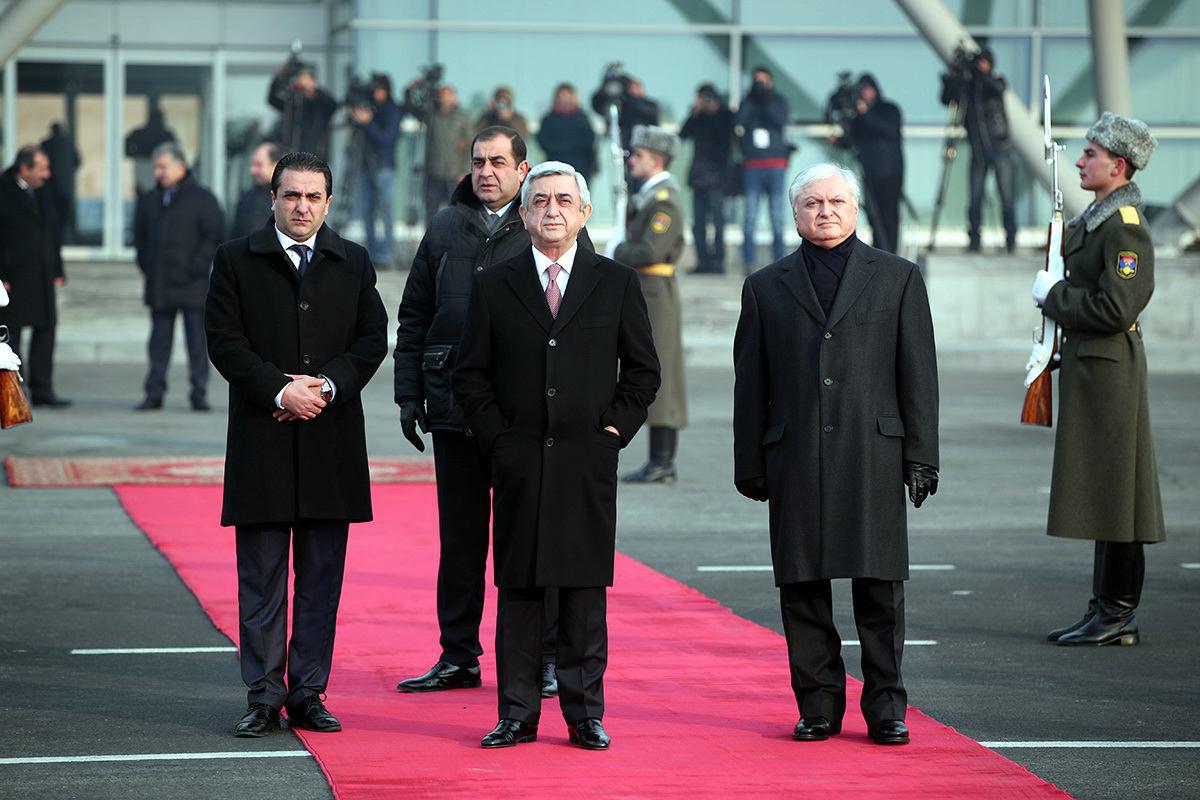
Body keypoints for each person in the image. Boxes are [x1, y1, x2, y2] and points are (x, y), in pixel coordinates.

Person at [453, 161, 660, 750]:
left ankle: (584, 713)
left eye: (564, 201)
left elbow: (642, 372)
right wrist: (498, 440)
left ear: (584, 213)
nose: (552, 210)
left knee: (583, 593)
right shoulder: (495, 283)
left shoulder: (616, 282)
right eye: (540, 200)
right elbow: (470, 375)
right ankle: (516, 713)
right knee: (519, 591)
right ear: (522, 213)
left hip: (586, 459)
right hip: (517, 458)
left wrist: (612, 433)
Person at [733, 163, 939, 747]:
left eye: (836, 202)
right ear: (795, 212)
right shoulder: (765, 286)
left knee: (879, 588)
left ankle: (886, 707)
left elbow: (918, 374)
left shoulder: (898, 277)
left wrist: (922, 456)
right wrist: (750, 463)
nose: (824, 211)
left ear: (855, 208)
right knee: (802, 588)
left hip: (873, 452)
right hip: (794, 454)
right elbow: (751, 383)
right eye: (812, 203)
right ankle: (818, 704)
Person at [394, 127, 594, 698]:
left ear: (522, 169)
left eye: (499, 162)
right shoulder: (444, 226)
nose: (486, 172)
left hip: (522, 416)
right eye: (479, 161)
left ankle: (547, 657)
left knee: (532, 538)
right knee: (459, 542)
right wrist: (409, 394)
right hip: (452, 407)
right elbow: (414, 315)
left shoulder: (548, 223)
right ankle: (458, 655)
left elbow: (581, 320)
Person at [206, 151, 388, 738]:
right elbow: (223, 341)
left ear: (329, 203)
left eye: (313, 197)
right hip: (263, 436)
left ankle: (308, 692)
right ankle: (264, 695)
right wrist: (279, 391)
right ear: (274, 198)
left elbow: (372, 339)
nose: (301, 206)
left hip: (331, 441)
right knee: (261, 579)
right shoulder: (235, 258)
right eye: (291, 195)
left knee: (320, 580)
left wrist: (327, 386)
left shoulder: (353, 261)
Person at [1032, 113, 1166, 647]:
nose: (1081, 162)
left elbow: (1116, 306)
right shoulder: (1098, 217)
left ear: (1119, 165)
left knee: (1120, 493)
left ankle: (1117, 612)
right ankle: (1105, 608)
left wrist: (1055, 298)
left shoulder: (1124, 225)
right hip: (1092, 367)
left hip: (1110, 369)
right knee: (1109, 492)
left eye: (1091, 154)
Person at [615, 125, 687, 484]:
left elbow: (648, 251)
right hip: (645, 290)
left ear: (657, 160)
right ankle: (658, 460)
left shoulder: (665, 202)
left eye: (639, 155)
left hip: (656, 292)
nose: (632, 160)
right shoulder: (646, 198)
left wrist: (616, 250)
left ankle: (663, 460)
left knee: (662, 371)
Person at [132, 143, 224, 412]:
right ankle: (154, 393)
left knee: (197, 342)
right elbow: (139, 237)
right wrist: (148, 266)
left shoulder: (203, 199)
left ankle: (199, 392)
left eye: (163, 167)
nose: (158, 173)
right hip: (160, 284)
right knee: (158, 343)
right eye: (156, 168)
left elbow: (213, 237)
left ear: (180, 166)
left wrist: (195, 267)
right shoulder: (150, 200)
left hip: (192, 285)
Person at [0, 146, 70, 407]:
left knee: (45, 331)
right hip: (12, 278)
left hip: (42, 275)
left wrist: (58, 269)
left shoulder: (42, 191)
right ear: (24, 169)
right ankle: (14, 394)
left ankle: (43, 389)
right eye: (42, 169)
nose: (47, 174)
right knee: (11, 338)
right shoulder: (3, 191)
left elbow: (52, 233)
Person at [940, 48, 1016, 252]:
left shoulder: (995, 80)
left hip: (1000, 146)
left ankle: (1011, 240)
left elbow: (999, 88)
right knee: (975, 197)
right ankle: (974, 239)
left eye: (982, 62)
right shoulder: (968, 84)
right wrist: (953, 76)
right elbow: (947, 99)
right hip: (978, 150)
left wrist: (982, 74)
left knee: (1006, 196)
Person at [830, 74, 904, 254]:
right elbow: (853, 139)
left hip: (890, 172)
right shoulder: (859, 116)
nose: (865, 94)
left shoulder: (889, 109)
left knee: (888, 214)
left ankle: (891, 254)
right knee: (873, 215)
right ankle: (879, 252)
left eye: (867, 89)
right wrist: (838, 140)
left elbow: (888, 129)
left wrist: (865, 113)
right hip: (869, 172)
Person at [735, 67, 791, 272]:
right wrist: (753, 98)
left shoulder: (778, 100)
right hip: (753, 165)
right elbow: (739, 121)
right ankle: (748, 260)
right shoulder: (748, 101)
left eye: (763, 81)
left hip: (775, 164)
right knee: (750, 215)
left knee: (777, 215)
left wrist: (765, 98)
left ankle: (780, 260)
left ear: (771, 81)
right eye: (756, 81)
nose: (759, 84)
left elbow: (780, 120)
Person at [680, 83, 735, 273]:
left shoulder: (725, 115)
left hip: (718, 178)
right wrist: (695, 113)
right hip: (699, 178)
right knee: (698, 223)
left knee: (718, 223)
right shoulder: (698, 117)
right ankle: (703, 262)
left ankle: (718, 262)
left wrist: (715, 111)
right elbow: (683, 134)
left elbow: (727, 137)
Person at [349, 74, 404, 267]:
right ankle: (371, 253)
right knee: (367, 210)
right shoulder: (369, 107)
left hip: (383, 166)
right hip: (365, 165)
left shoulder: (393, 110)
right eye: (374, 90)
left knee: (385, 210)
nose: (376, 94)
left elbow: (387, 138)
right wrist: (358, 117)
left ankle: (387, 253)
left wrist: (368, 123)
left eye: (380, 90)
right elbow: (353, 124)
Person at [411, 83, 474, 225]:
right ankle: (432, 238)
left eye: (447, 94)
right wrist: (410, 91)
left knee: (456, 214)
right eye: (441, 94)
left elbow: (471, 145)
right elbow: (414, 110)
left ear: (454, 98)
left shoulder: (462, 117)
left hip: (454, 173)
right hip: (434, 172)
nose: (444, 98)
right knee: (431, 214)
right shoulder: (432, 115)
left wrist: (464, 171)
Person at [268, 62, 338, 161]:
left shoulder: (322, 105)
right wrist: (278, 77)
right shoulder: (296, 104)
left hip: (317, 157)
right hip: (295, 155)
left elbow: (334, 105)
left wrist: (314, 88)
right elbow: (272, 100)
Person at [537, 83, 596, 184]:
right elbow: (543, 141)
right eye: (561, 97)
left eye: (567, 97)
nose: (564, 100)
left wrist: (570, 146)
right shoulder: (548, 119)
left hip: (580, 166)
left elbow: (589, 139)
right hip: (555, 165)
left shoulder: (581, 118)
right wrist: (561, 147)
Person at [591, 72, 659, 154]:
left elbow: (643, 111)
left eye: (636, 87)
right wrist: (604, 85)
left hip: (644, 146)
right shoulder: (623, 105)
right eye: (631, 88)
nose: (634, 90)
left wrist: (632, 98)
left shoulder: (650, 105)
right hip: (624, 144)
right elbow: (599, 106)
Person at [40, 122, 80, 243]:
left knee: (52, 213)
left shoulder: (46, 144)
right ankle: (63, 237)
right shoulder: (67, 143)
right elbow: (77, 161)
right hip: (65, 184)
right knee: (64, 213)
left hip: (51, 185)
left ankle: (55, 237)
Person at [125, 103, 177, 196]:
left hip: (160, 167)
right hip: (143, 166)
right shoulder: (140, 133)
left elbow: (176, 153)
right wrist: (137, 155)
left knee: (159, 194)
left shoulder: (166, 134)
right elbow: (124, 148)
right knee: (144, 194)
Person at [230, 141, 279, 239]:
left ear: (275, 165)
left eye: (259, 165)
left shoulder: (287, 198)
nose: (252, 171)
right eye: (252, 165)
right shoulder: (246, 198)